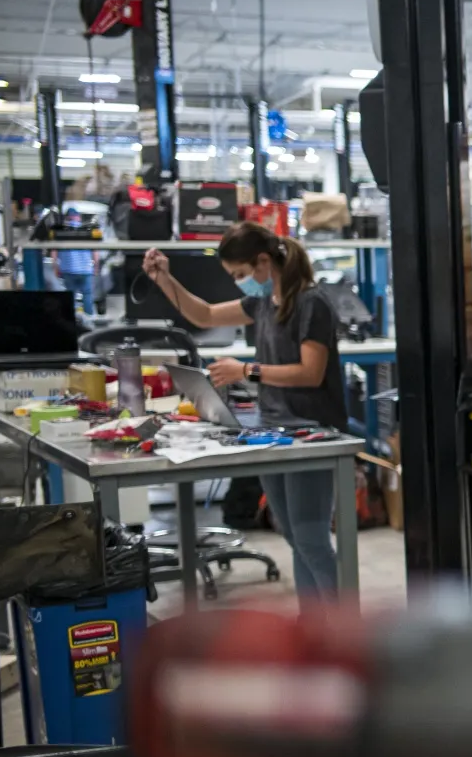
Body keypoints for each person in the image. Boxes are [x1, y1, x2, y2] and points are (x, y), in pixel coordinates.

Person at [141, 225, 349, 604]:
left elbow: (310, 372)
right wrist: (164, 279)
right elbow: (203, 315)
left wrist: (247, 370)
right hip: (274, 428)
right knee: (292, 535)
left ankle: (346, 635)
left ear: (264, 261)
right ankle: (313, 628)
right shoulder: (263, 303)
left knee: (311, 537)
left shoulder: (311, 304)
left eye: (240, 274)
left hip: (312, 432)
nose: (239, 284)